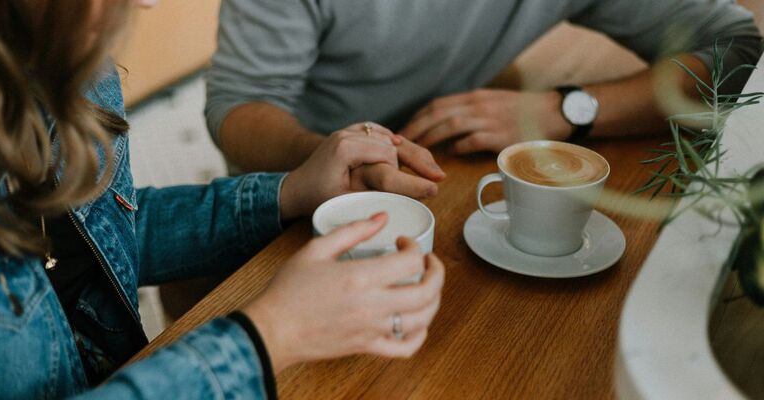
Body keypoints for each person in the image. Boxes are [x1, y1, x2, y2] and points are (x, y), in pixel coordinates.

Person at [0, 1, 445, 398]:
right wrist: (269, 337)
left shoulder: (63, 66)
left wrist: (288, 192)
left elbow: (102, 236)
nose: (149, 4)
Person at [205, 0, 763, 168]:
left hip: (451, 159)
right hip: (299, 173)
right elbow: (240, 106)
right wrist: (324, 155)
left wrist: (570, 108)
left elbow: (737, 47)